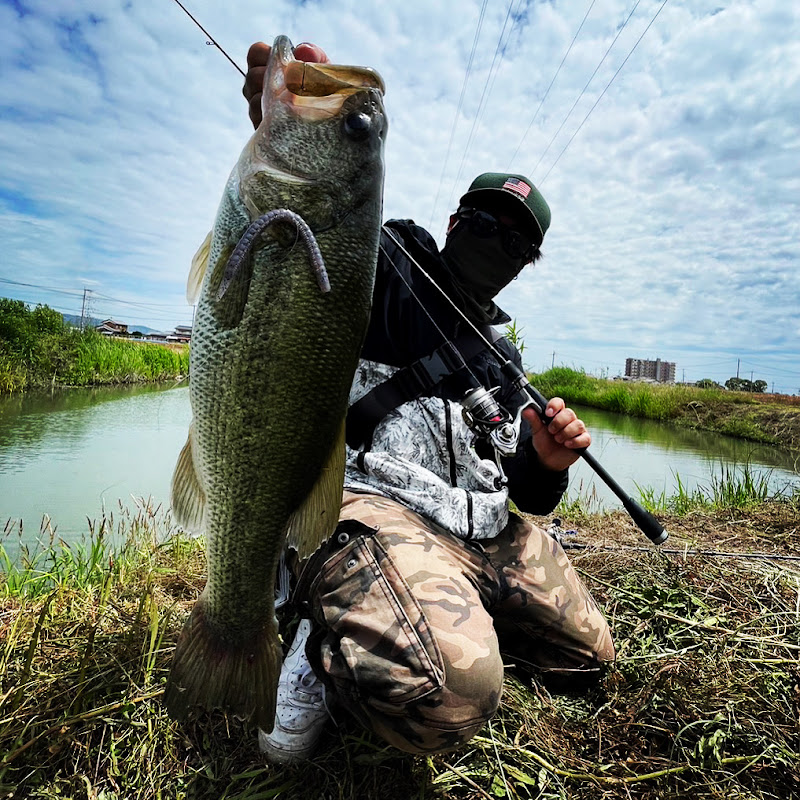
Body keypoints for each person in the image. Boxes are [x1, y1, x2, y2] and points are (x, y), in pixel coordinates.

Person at [243, 40, 615, 764]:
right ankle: (323, 630)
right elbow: (307, 226)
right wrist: (288, 126)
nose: (496, 241)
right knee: (449, 699)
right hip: (372, 503)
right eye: (482, 222)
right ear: (452, 222)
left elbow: (528, 495)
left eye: (516, 240)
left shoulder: (506, 361)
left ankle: (427, 610)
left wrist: (547, 460)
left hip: (475, 526)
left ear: (526, 264)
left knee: (589, 658)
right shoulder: (385, 265)